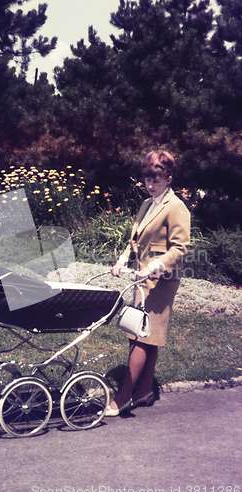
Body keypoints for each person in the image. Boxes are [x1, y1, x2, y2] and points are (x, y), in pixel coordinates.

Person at [105, 150, 190, 416]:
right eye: (147, 179)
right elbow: (135, 242)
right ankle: (144, 391)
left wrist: (152, 267)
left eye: (157, 179)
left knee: (139, 337)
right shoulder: (147, 204)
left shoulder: (176, 207)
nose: (151, 184)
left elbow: (180, 249)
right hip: (142, 279)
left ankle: (123, 398)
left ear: (169, 179)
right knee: (144, 333)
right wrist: (122, 261)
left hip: (161, 280)